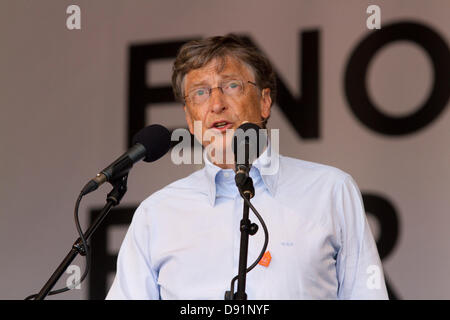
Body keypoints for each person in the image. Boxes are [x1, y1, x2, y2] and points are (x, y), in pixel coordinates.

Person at [106, 34, 388, 300]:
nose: (216, 104)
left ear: (265, 102)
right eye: (200, 93)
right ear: (190, 121)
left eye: (231, 86)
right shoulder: (156, 214)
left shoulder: (331, 191)